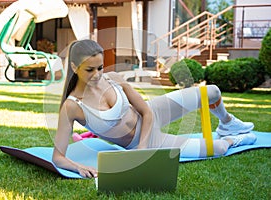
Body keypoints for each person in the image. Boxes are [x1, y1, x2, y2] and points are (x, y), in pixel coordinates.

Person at [52, 39, 256, 178]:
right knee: (218, 149)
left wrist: (142, 149)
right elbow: (58, 157)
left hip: (152, 114)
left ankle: (228, 123)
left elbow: (147, 112)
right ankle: (232, 139)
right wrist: (79, 168)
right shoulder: (72, 107)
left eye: (100, 67)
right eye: (89, 70)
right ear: (73, 67)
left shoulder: (112, 79)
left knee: (212, 92)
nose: (97, 75)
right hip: (146, 141)